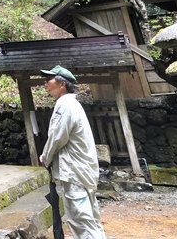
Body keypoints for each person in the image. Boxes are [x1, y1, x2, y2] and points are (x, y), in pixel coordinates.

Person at [38, 65, 106, 239]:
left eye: (50, 79)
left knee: (81, 220)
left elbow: (57, 137)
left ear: (62, 84)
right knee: (90, 220)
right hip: (83, 170)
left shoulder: (65, 105)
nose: (45, 82)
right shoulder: (72, 104)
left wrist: (46, 157)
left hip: (74, 172)